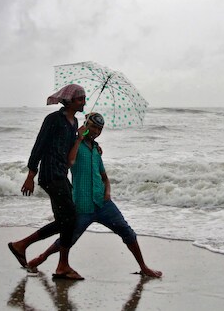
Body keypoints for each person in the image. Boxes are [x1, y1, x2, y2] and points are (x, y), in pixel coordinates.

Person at [27, 112, 162, 278]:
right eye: (93, 127)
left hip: (103, 204)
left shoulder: (97, 150)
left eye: (100, 129)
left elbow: (104, 177)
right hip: (82, 205)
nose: (96, 131)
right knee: (68, 239)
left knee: (127, 232)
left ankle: (144, 267)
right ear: (85, 125)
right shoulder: (75, 145)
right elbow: (70, 163)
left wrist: (107, 192)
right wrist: (78, 139)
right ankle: (41, 258)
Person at [8, 84, 87, 280]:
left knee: (67, 220)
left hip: (61, 174)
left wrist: (82, 139)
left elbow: (70, 157)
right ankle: (62, 266)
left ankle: (21, 245)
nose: (83, 102)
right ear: (69, 101)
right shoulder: (53, 119)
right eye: (80, 99)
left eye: (84, 98)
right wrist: (30, 176)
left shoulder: (74, 122)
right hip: (50, 175)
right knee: (69, 219)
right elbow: (39, 146)